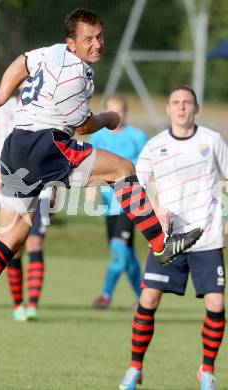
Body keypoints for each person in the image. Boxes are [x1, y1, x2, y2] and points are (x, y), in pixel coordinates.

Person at [0, 9, 202, 353]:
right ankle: (161, 244)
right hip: (46, 145)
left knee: (12, 237)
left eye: (99, 36)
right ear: (73, 43)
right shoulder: (77, 76)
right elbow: (82, 127)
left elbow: (21, 63)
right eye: (88, 39)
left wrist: (0, 97)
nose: (96, 44)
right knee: (121, 169)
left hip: (16, 145)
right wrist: (110, 118)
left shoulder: (51, 52)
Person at [118, 86, 227, 390]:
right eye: (176, 103)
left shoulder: (212, 140)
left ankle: (207, 371)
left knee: (216, 304)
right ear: (168, 108)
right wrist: (155, 208)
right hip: (167, 241)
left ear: (196, 107)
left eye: (187, 103)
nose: (181, 107)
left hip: (206, 237)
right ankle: (134, 368)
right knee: (148, 298)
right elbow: (135, 187)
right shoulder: (155, 145)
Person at [0, 95, 51, 321]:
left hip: (42, 188)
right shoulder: (3, 109)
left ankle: (32, 305)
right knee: (12, 247)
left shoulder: (49, 108)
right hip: (9, 189)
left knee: (35, 241)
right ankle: (18, 304)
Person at [91, 95, 148, 309]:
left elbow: (148, 168)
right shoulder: (98, 138)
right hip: (109, 204)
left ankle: (106, 295)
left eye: (120, 111)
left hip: (131, 201)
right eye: (112, 111)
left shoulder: (138, 137)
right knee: (126, 254)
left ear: (126, 112)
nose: (117, 115)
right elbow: (90, 166)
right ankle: (143, 298)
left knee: (119, 248)